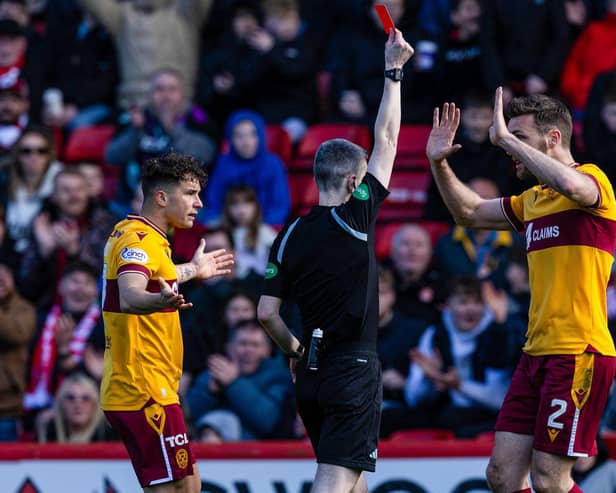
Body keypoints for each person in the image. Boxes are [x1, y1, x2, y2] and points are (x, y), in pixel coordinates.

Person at [426, 89, 616, 492]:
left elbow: (575, 187)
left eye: (519, 138)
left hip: (578, 351)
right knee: (502, 476)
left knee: (550, 479)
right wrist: (438, 162)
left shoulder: (593, 181)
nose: (508, 148)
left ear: (552, 139)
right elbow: (470, 212)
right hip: (535, 354)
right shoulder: (532, 200)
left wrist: (505, 139)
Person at [258, 29, 414, 493]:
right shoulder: (356, 216)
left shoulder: (288, 236)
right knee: (334, 479)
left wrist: (294, 350)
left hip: (311, 375)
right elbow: (387, 136)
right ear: (352, 183)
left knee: (353, 478)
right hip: (353, 368)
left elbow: (267, 313)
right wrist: (394, 72)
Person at [100, 153, 233, 492]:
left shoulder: (145, 237)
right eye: (191, 194)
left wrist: (192, 270)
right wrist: (157, 301)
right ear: (161, 197)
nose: (199, 203)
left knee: (189, 486)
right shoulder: (137, 241)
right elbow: (131, 293)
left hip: (152, 386)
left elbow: (158, 277)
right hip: (142, 389)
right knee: (174, 490)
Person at [186, 318, 293, 440]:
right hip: (205, 453)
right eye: (243, 343)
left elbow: (268, 421)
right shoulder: (212, 373)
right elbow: (186, 417)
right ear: (229, 348)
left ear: (267, 351)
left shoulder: (278, 378)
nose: (248, 350)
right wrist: (209, 393)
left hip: (254, 455)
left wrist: (234, 384)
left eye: (255, 345)